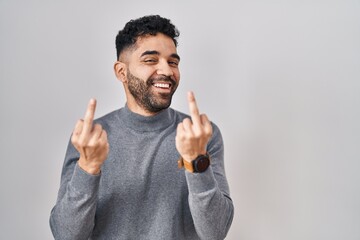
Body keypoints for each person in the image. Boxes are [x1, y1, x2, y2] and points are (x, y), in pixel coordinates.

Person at [50, 15, 234, 240]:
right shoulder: (90, 139)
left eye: (173, 62)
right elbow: (66, 235)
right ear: (121, 72)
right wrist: (88, 167)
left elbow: (215, 233)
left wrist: (197, 162)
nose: (166, 70)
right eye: (150, 60)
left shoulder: (201, 136)